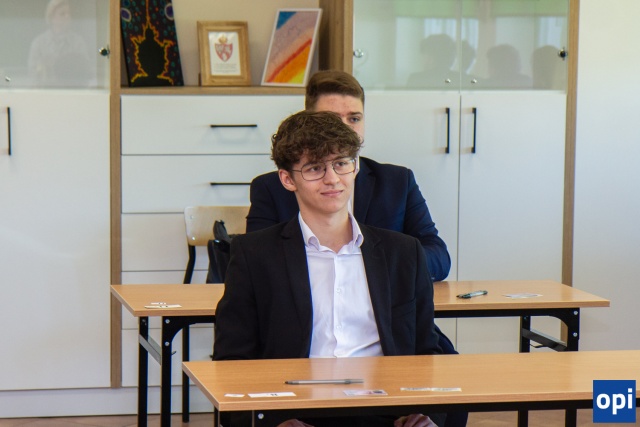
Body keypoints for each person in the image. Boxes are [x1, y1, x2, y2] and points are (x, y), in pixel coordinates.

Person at [246, 70, 467, 427]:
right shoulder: (269, 210)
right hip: (300, 388)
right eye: (316, 168)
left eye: (354, 118)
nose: (332, 178)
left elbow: (435, 256)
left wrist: (392, 266)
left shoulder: (397, 191)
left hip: (385, 385)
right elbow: (259, 278)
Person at [247, 70, 451, 282]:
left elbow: (438, 257)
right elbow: (256, 262)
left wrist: (363, 265)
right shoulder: (270, 187)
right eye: (331, 120)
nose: (344, 129)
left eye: (354, 118)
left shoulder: (398, 181)